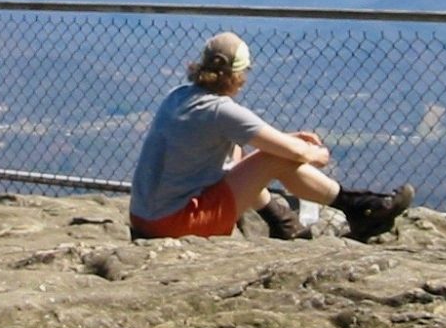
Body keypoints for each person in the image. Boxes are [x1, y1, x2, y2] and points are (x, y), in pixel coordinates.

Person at [129, 31, 414, 242]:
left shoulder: (178, 96)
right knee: (272, 160)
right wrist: (315, 153)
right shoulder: (221, 111)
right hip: (175, 224)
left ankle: (282, 223)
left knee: (244, 153)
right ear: (238, 74)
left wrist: (285, 141)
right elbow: (298, 156)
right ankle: (359, 207)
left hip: (145, 218)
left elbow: (225, 147)